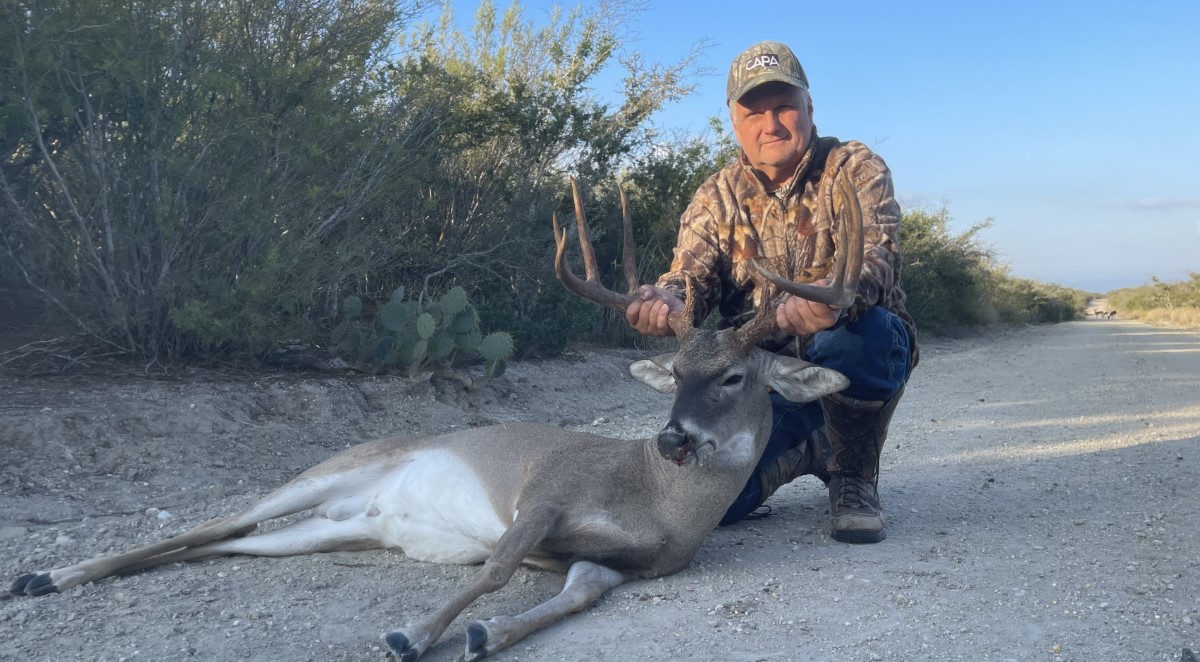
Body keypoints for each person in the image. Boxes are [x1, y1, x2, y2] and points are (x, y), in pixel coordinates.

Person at [625, 41, 918, 544]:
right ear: (734, 122)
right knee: (716, 508)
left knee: (859, 337)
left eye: (784, 107)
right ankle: (809, 445)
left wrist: (833, 294)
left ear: (809, 107)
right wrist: (668, 299)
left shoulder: (854, 168)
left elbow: (879, 256)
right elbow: (690, 275)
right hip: (758, 376)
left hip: (847, 350)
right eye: (753, 112)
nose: (772, 124)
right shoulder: (717, 194)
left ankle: (852, 475)